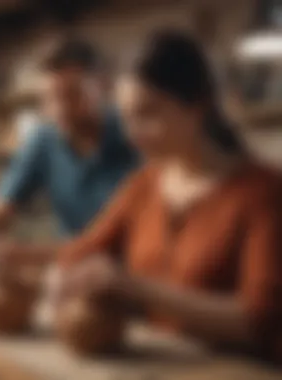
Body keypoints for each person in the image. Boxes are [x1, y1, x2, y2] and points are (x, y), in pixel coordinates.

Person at [53, 30, 282, 361]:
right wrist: (62, 276)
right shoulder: (144, 185)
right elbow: (82, 250)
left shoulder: (264, 191)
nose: (132, 136)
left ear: (198, 105)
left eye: (147, 113)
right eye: (127, 117)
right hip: (158, 364)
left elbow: (257, 319)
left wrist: (135, 287)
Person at [0, 38, 139, 256]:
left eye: (72, 94)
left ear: (103, 85)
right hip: (74, 266)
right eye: (51, 98)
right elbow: (0, 210)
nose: (61, 110)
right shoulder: (44, 140)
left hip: (135, 267)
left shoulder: (134, 133)